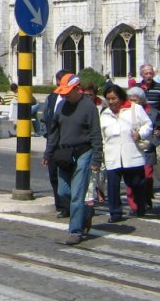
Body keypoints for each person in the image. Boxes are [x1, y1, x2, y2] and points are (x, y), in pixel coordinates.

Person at [42, 73, 103, 245]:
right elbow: (54, 132)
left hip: (83, 153)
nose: (64, 95)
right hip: (64, 154)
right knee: (63, 192)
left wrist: (97, 159)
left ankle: (76, 231)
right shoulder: (61, 106)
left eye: (67, 92)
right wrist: (48, 153)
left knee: (77, 194)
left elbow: (96, 134)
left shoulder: (88, 107)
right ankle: (85, 212)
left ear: (77, 89)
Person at [101, 84, 151, 222]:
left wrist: (140, 134)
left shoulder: (135, 109)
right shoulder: (105, 114)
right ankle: (115, 213)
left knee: (136, 183)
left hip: (132, 154)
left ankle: (140, 206)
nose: (111, 102)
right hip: (113, 155)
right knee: (113, 186)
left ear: (121, 97)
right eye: (108, 99)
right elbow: (101, 135)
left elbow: (148, 125)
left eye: (114, 98)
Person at [43, 69, 71, 217]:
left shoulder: (74, 99)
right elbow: (45, 116)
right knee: (53, 175)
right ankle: (60, 204)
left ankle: (70, 205)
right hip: (53, 144)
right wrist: (47, 135)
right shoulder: (52, 97)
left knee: (68, 175)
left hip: (68, 144)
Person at [125, 86, 158, 212]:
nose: (133, 103)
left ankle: (145, 197)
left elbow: (157, 130)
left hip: (148, 148)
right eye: (131, 100)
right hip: (132, 149)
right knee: (131, 178)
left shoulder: (152, 112)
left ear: (142, 100)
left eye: (136, 100)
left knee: (147, 177)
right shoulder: (126, 111)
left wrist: (152, 144)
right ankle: (135, 204)